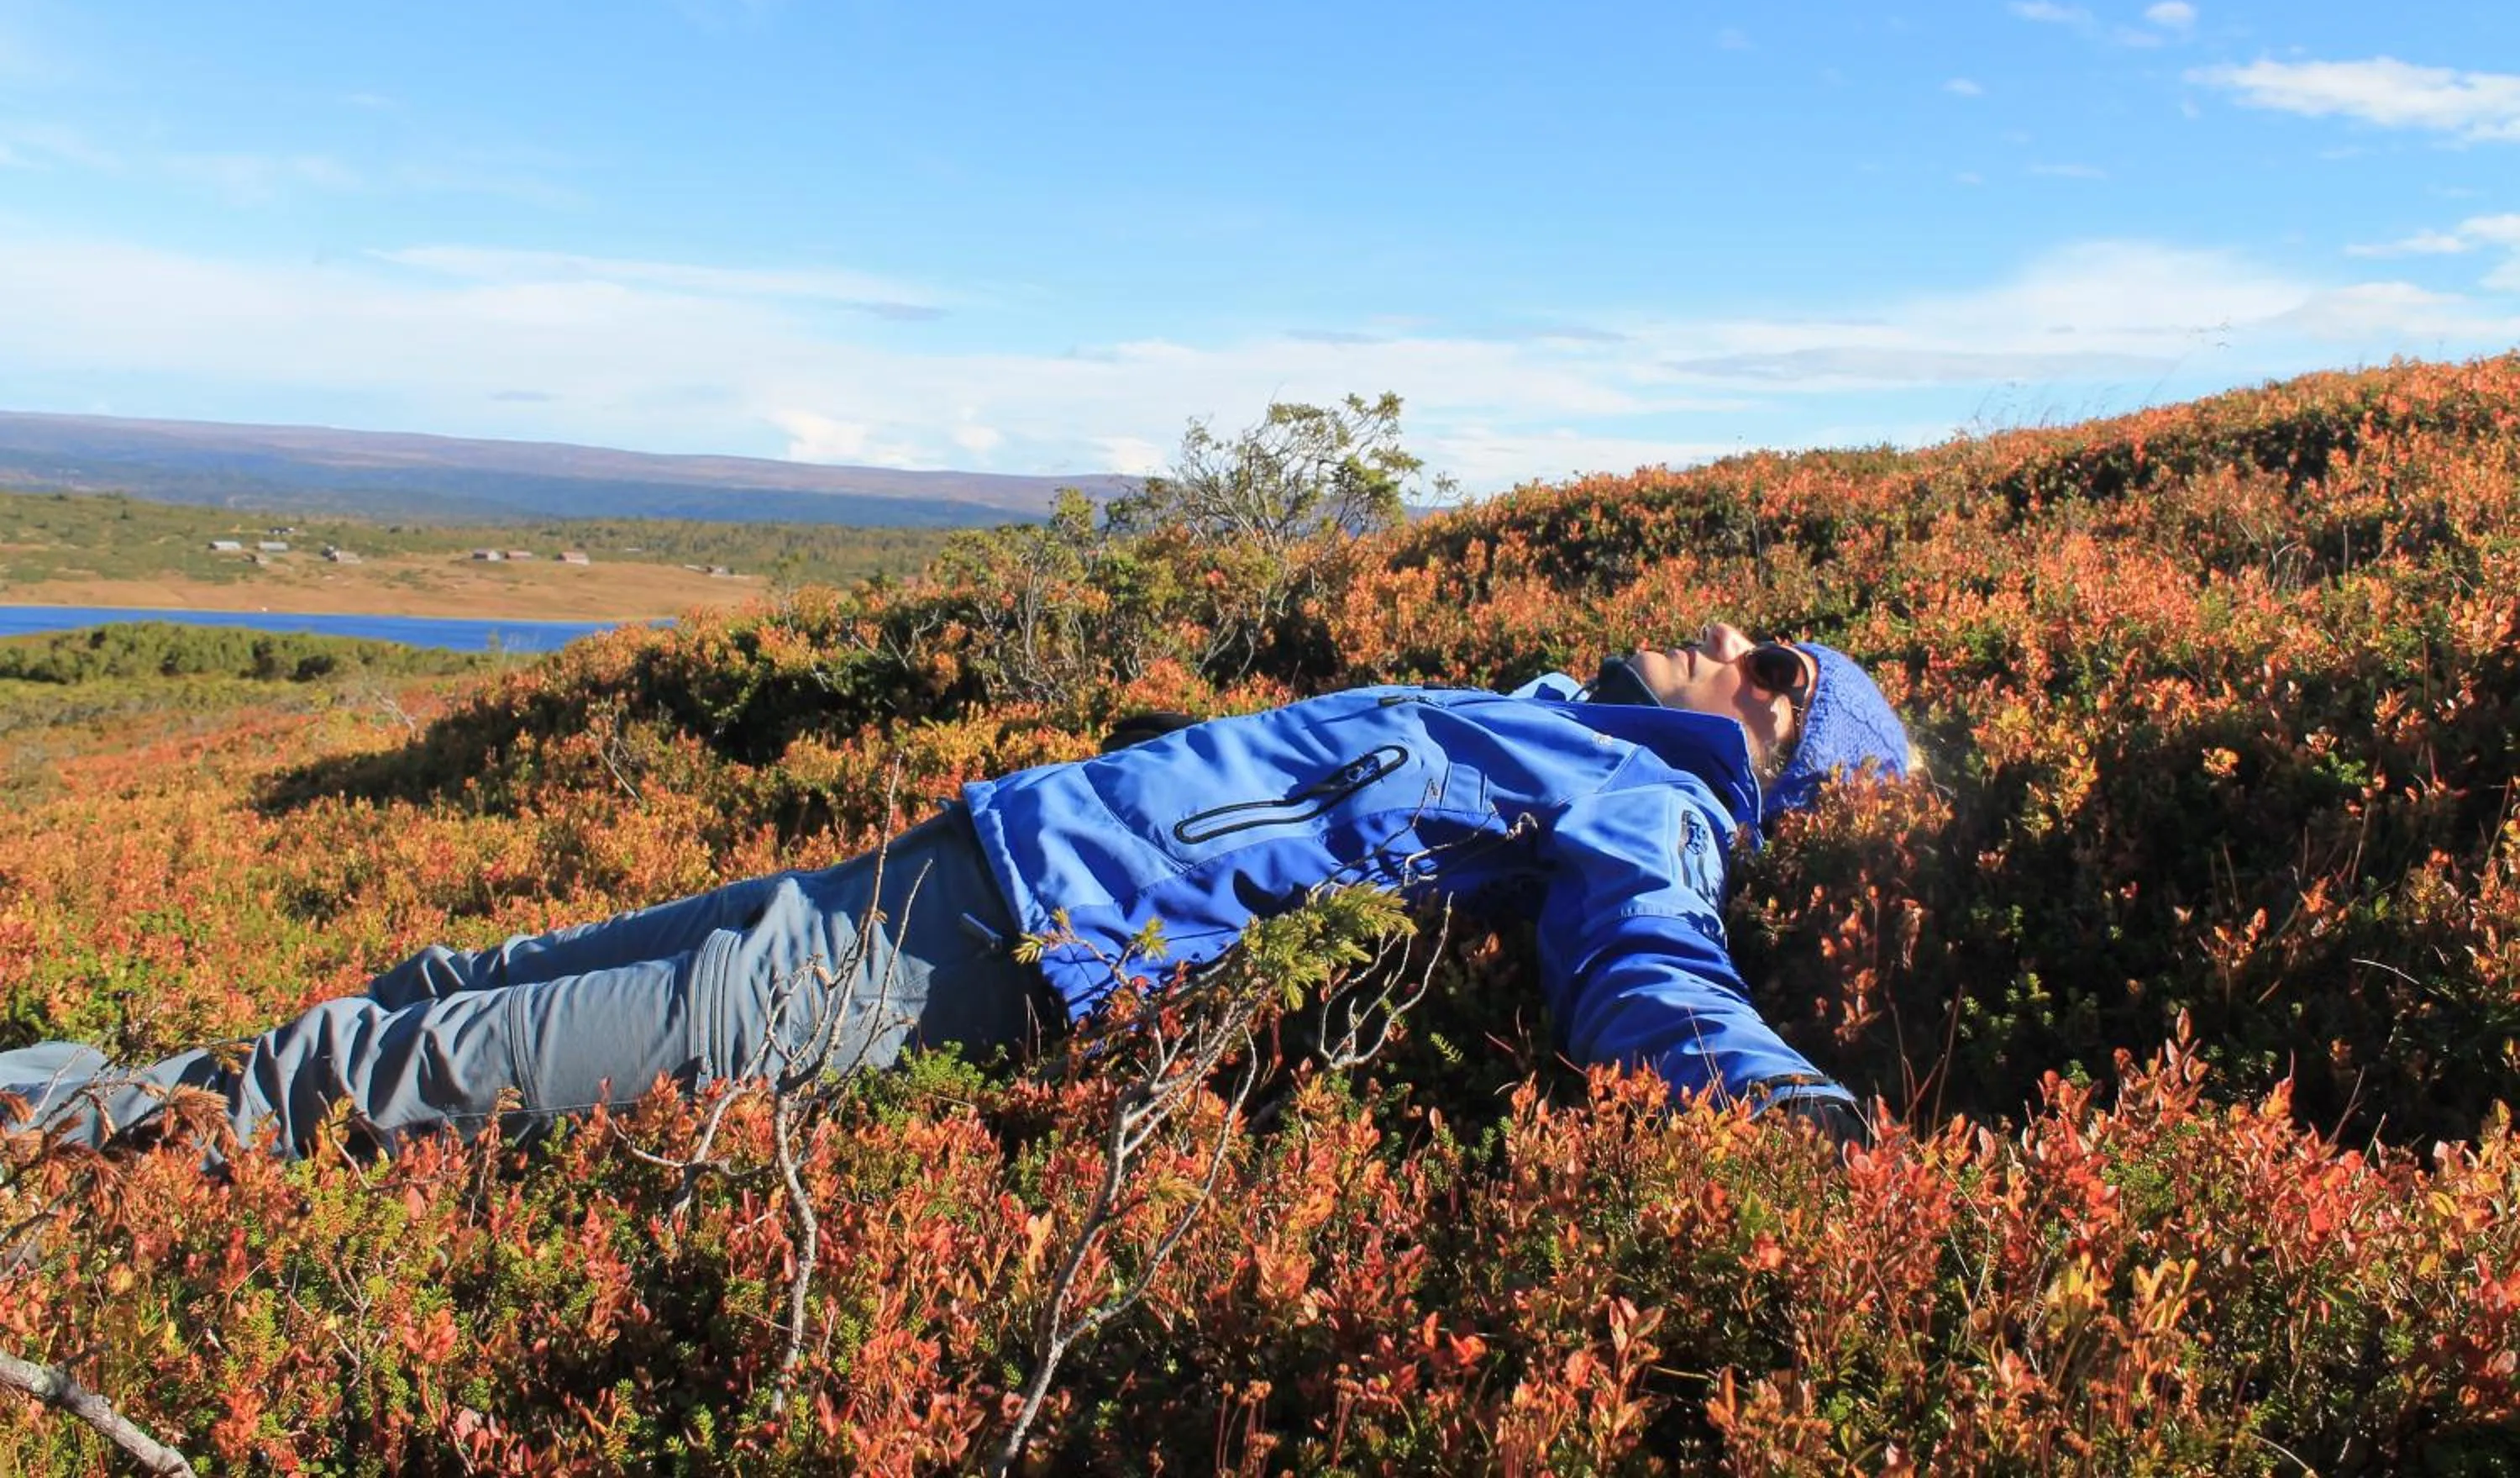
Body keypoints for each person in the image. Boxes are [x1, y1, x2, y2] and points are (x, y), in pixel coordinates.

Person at [1, 623, 1912, 1157]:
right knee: (466, 969)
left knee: (444, 1069)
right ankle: (90, 1092)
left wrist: (1780, 1104)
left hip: (986, 959)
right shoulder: (1547, 712)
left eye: (1778, 664)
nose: (1733, 633)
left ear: (1783, 748)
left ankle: (70, 1130)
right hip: (955, 862)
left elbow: (1651, 972)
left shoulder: (1656, 816)